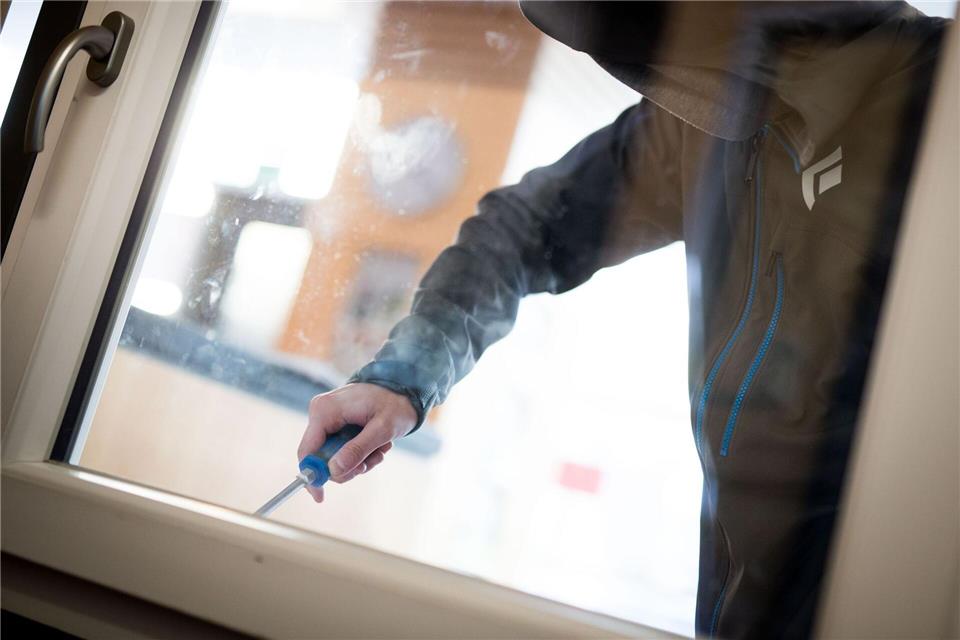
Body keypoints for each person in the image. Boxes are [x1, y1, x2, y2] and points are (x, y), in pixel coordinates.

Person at [298, 2, 949, 637]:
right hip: (739, 601)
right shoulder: (706, 126)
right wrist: (402, 376)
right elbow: (525, 229)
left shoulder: (939, 99)